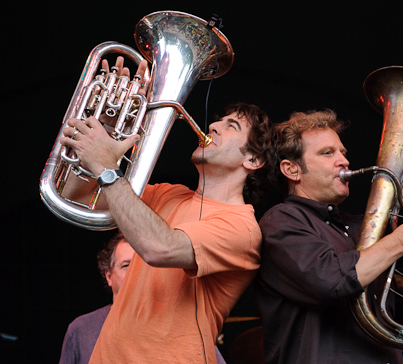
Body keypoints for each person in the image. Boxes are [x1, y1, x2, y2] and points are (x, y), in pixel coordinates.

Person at [59, 57, 277, 364]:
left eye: (232, 126)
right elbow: (77, 198)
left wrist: (108, 168)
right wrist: (106, 126)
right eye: (219, 120)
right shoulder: (166, 194)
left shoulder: (242, 227)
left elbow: (160, 248)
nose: (212, 125)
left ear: (253, 161)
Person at [254, 109, 403, 364]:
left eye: (342, 152)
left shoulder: (361, 230)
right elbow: (329, 280)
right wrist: (402, 241)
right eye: (327, 153)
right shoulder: (282, 221)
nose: (344, 161)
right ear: (292, 170)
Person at [59, 233, 135, 364]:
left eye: (142, 268)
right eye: (126, 265)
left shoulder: (165, 324)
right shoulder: (82, 329)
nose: (135, 272)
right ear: (109, 276)